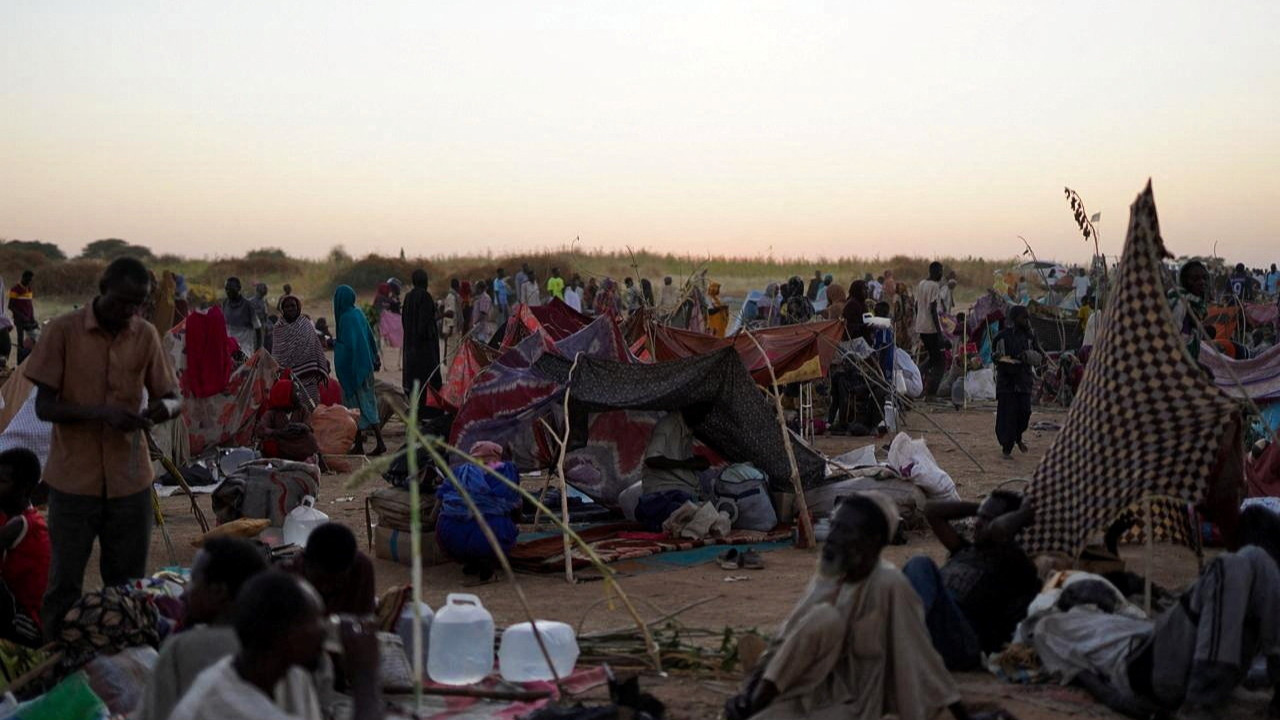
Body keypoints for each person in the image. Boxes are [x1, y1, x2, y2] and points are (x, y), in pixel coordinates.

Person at [27, 258, 181, 638]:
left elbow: (174, 397)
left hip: (131, 483)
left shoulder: (144, 335)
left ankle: (122, 667)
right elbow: (43, 407)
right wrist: (100, 413)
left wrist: (163, 409)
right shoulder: (63, 331)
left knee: (128, 589)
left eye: (138, 304)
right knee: (64, 586)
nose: (129, 311)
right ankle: (56, 669)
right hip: (73, 482)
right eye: (122, 302)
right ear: (101, 291)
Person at [725, 493, 967, 720]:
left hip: (855, 704)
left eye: (845, 530)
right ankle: (757, 702)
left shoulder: (889, 585)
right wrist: (746, 696)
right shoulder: (830, 577)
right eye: (833, 526)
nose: (832, 537)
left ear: (872, 541)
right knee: (822, 619)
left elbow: (922, 654)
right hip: (809, 691)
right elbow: (785, 643)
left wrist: (964, 716)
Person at [1050, 506, 1280, 720]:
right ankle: (1200, 705)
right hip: (1147, 672)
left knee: (1255, 558)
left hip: (1176, 656)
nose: (1096, 590)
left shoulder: (1126, 612)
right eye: (1079, 587)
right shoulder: (1051, 625)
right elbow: (1086, 676)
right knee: (1235, 563)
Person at [170, 570, 383, 720]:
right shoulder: (232, 708)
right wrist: (366, 680)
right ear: (286, 634)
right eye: (315, 621)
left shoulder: (271, 675)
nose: (323, 631)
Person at [136, 537, 270, 720]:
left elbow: (155, 713)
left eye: (193, 581)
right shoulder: (276, 645)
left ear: (218, 591)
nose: (187, 591)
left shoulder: (182, 649)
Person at [904, 491, 1039, 670]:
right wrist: (982, 508)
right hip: (934, 627)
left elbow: (999, 530)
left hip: (964, 643)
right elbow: (932, 511)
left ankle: (903, 634)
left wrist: (1023, 515)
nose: (977, 524)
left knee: (920, 564)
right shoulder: (964, 551)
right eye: (979, 518)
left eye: (986, 520)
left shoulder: (1013, 562)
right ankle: (903, 632)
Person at [435, 441, 521, 584]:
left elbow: (441, 496)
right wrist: (516, 523)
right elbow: (516, 502)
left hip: (449, 534)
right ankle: (487, 568)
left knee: (464, 527)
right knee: (501, 526)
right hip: (488, 533)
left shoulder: (461, 471)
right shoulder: (505, 471)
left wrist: (432, 520)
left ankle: (471, 563)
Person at [0, 448, 48, 647]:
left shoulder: (21, 525)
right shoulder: (15, 516)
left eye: (2, 482)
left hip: (28, 625)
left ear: (25, 488)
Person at [634, 412, 709, 531]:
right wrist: (686, 464)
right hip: (665, 493)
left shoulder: (688, 429)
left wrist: (695, 462)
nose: (704, 417)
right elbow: (652, 460)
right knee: (694, 517)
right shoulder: (668, 425)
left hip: (683, 491)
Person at [332, 285, 385, 456]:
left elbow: (347, 348)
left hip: (354, 369)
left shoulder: (346, 319)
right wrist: (375, 355)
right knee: (368, 403)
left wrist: (333, 345)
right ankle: (373, 442)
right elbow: (369, 337)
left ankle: (364, 443)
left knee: (355, 406)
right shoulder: (359, 313)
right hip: (366, 366)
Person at [289, 523, 376, 616]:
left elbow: (366, 618)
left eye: (336, 582)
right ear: (305, 562)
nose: (326, 588)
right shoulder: (290, 575)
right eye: (319, 579)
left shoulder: (361, 569)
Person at [992, 305, 1042, 458]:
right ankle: (1007, 448)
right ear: (1015, 319)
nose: (1026, 320)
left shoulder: (1030, 337)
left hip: (1024, 381)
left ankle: (1018, 437)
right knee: (1007, 415)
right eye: (1023, 317)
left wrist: (1026, 356)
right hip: (1006, 382)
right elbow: (996, 356)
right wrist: (999, 358)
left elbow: (1039, 357)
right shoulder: (1002, 336)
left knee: (1025, 412)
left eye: (1027, 317)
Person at [271, 295, 330, 407]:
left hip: (309, 377)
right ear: (282, 309)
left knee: (311, 408)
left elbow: (315, 347)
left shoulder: (306, 324)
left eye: (293, 306)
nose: (290, 309)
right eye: (286, 306)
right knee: (292, 409)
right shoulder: (278, 328)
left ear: (298, 307)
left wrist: (321, 362)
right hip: (288, 381)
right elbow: (277, 355)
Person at [401, 270, 441, 394]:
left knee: (413, 384)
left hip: (410, 348)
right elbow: (424, 326)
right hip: (424, 351)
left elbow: (405, 321)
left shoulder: (408, 297)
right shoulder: (425, 297)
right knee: (427, 383)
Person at [1169, 260, 1212, 361]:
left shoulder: (1195, 306)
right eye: (1195, 279)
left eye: (1204, 278)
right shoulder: (1179, 304)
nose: (1202, 282)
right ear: (1183, 281)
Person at [915, 262, 946, 396]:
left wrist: (919, 320)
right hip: (931, 329)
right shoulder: (934, 286)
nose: (941, 274)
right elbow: (933, 310)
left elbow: (917, 305)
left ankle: (917, 376)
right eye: (940, 271)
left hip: (921, 327)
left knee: (933, 358)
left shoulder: (922, 284)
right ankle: (931, 393)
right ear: (936, 272)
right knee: (940, 362)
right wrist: (940, 334)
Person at [221, 277, 262, 355]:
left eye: (231, 289)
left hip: (244, 350)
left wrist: (258, 350)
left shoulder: (248, 306)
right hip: (229, 350)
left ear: (239, 288)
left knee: (243, 366)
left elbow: (258, 330)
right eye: (226, 289)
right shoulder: (225, 303)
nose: (228, 292)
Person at [7, 271, 35, 364]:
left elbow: (30, 305)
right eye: (28, 279)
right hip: (19, 320)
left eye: (31, 280)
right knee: (20, 342)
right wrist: (22, 316)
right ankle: (19, 363)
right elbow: (11, 306)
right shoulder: (15, 289)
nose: (29, 281)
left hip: (29, 319)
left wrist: (32, 318)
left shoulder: (29, 289)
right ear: (23, 277)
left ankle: (28, 362)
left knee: (33, 340)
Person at [250, 282, 272, 351]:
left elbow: (266, 315)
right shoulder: (252, 301)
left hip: (262, 326)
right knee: (255, 345)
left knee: (261, 347)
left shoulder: (264, 301)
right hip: (254, 327)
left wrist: (268, 325)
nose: (265, 291)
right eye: (263, 289)